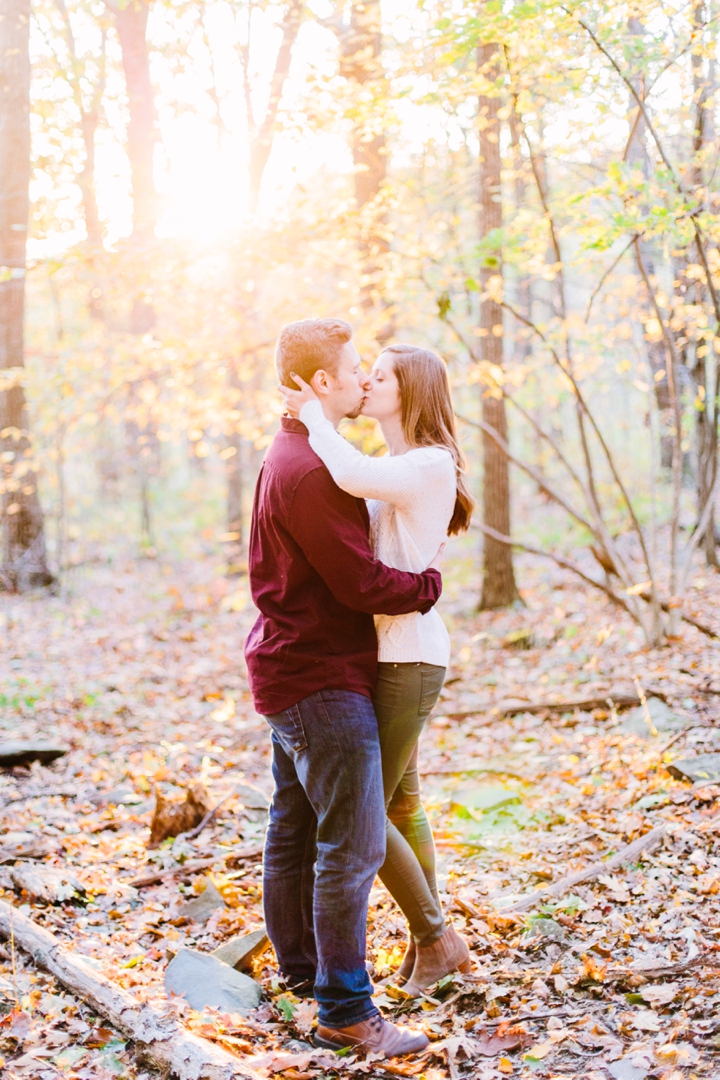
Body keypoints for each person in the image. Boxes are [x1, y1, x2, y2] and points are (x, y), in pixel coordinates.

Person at [245, 319, 443, 1057]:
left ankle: (303, 977)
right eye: (356, 369)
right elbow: (362, 583)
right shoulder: (309, 470)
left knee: (293, 831)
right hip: (322, 678)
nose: (365, 380)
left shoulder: (294, 451)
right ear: (321, 383)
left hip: (290, 665)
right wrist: (427, 584)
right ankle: (347, 1012)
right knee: (351, 847)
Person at [279, 343, 474, 996]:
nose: (367, 381)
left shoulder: (426, 464)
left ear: (409, 392)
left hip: (409, 656)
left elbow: (351, 474)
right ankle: (432, 945)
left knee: (366, 814)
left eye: (380, 375)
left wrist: (313, 416)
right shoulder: (403, 463)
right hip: (393, 651)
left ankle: (435, 938)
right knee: (400, 803)